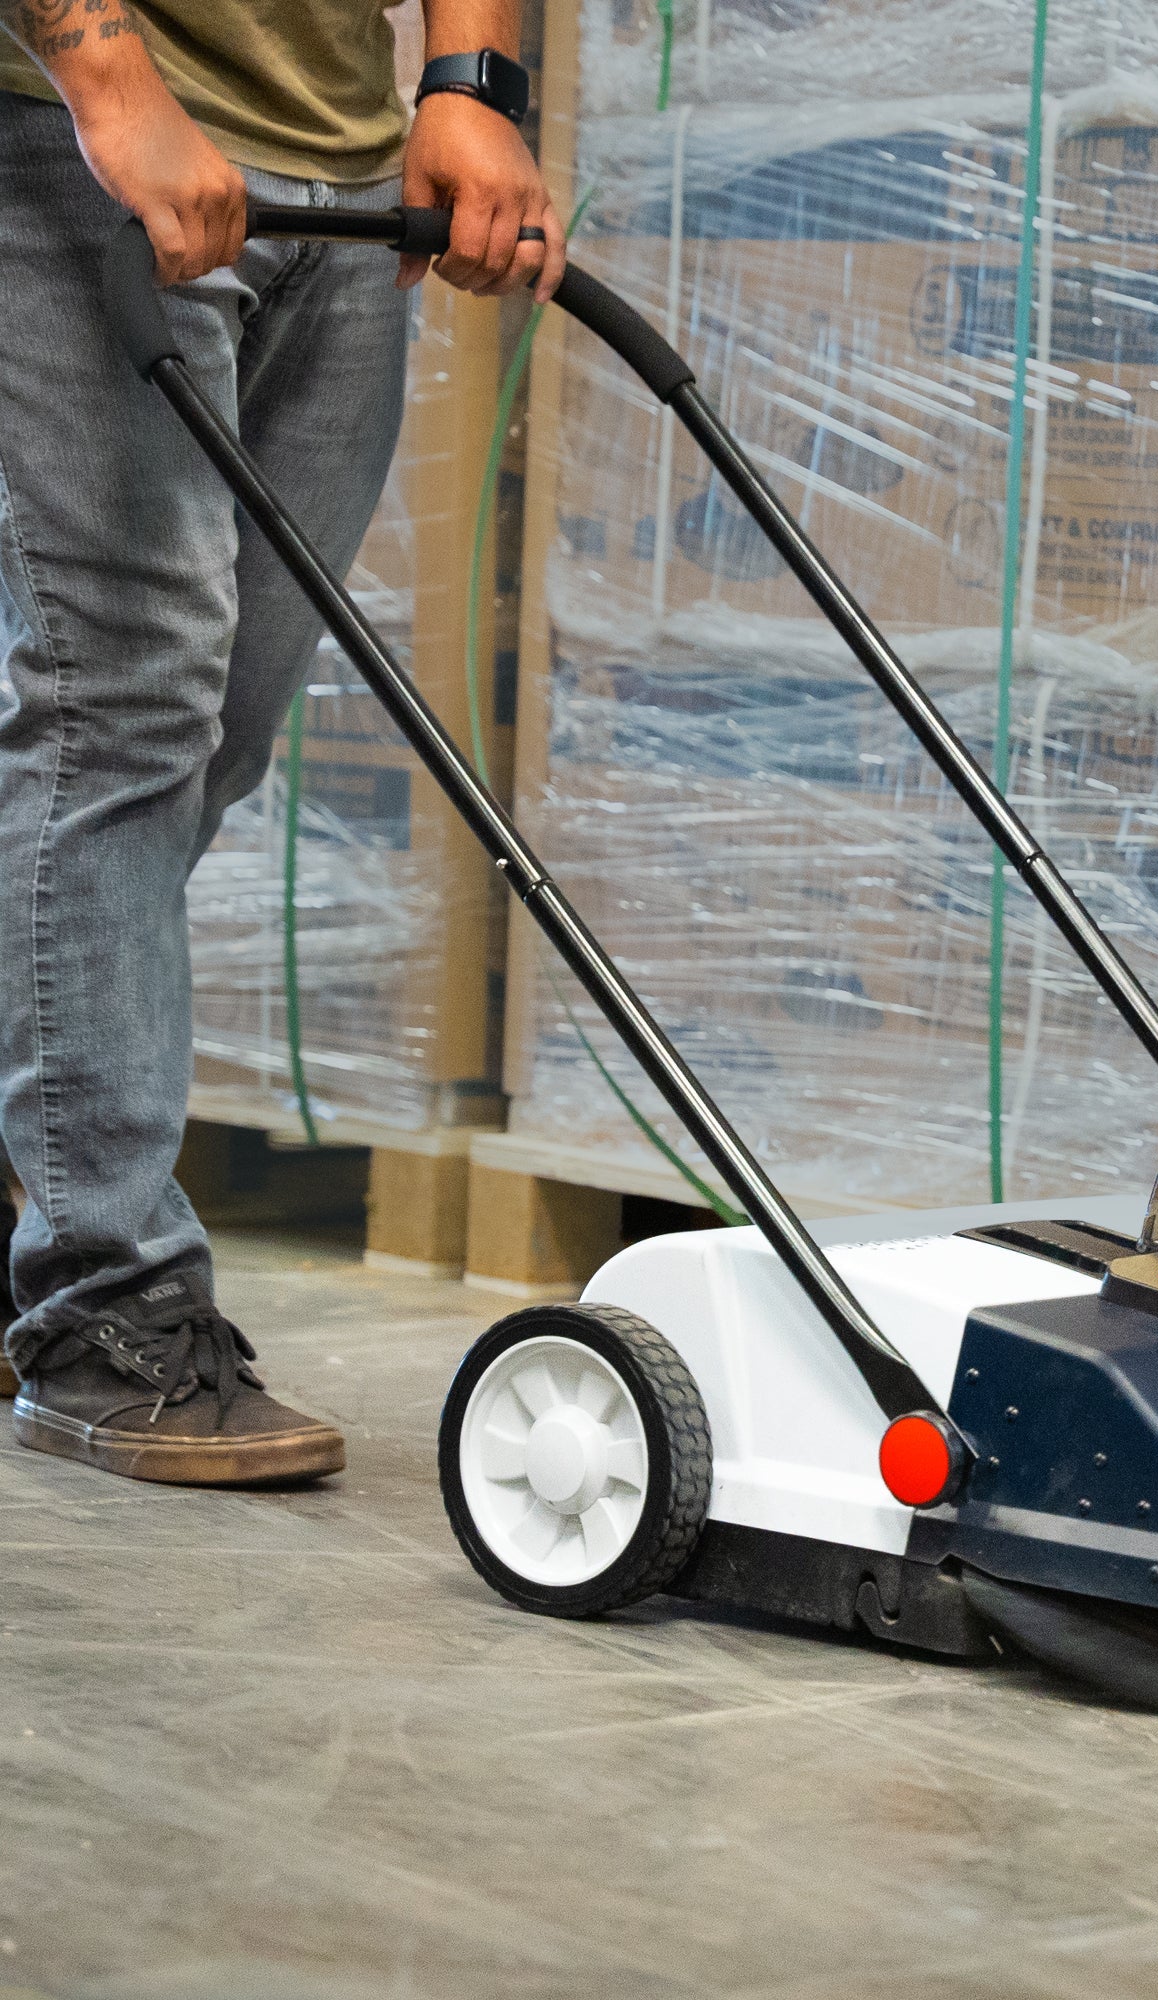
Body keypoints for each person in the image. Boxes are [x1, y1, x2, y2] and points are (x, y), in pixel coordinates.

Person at [0, 1, 564, 1483]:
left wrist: (470, 83)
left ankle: (40, 1147)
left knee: (212, 735)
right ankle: (106, 1307)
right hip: (75, 135)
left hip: (344, 171)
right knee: (118, 716)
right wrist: (108, 81)